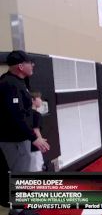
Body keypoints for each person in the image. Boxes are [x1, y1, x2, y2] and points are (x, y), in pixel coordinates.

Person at [0, 50, 50, 214]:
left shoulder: (21, 83)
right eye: (30, 62)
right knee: (19, 176)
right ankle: (17, 211)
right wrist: (33, 137)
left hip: (21, 139)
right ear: (21, 66)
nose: (33, 65)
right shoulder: (9, 84)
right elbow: (15, 116)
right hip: (14, 140)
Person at [30, 91, 45, 172]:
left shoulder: (25, 114)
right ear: (33, 100)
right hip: (34, 149)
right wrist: (41, 144)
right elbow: (36, 130)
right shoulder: (36, 115)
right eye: (39, 98)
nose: (41, 100)